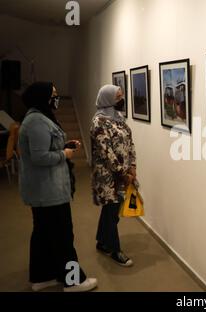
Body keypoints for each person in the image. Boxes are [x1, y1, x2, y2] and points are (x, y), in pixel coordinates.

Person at [18, 82, 97, 292]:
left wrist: (64, 145)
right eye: (53, 94)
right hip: (48, 191)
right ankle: (73, 281)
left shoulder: (40, 117)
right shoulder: (36, 121)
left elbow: (45, 147)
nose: (56, 97)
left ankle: (42, 277)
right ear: (42, 97)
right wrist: (64, 154)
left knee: (44, 234)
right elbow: (39, 157)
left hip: (46, 190)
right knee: (63, 236)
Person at [91, 85, 136, 267]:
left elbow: (130, 143)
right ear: (108, 99)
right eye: (118, 97)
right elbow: (106, 152)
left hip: (123, 174)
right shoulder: (98, 122)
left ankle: (102, 242)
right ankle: (115, 250)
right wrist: (123, 173)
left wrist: (132, 166)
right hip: (108, 177)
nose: (121, 99)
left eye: (121, 95)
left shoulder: (119, 119)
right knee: (111, 212)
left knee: (111, 210)